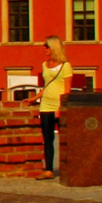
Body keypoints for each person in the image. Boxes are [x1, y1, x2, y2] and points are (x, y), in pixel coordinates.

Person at [27, 36, 73, 179]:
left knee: (67, 139)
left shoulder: (66, 66)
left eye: (46, 46)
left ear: (53, 47)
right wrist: (34, 98)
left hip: (59, 106)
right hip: (46, 105)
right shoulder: (44, 65)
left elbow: (67, 90)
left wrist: (61, 108)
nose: (44, 49)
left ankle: (70, 168)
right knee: (47, 138)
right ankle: (48, 170)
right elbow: (46, 86)